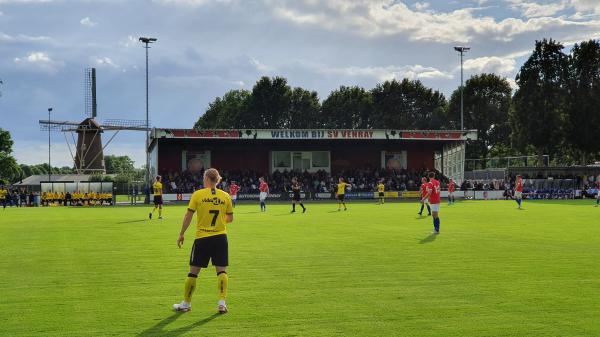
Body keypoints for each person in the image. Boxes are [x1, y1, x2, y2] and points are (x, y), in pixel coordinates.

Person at [173, 168, 233, 314]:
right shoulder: (225, 196)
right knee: (222, 271)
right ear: (217, 180)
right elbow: (230, 219)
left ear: (206, 179)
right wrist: (219, 221)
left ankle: (186, 304)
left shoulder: (198, 195)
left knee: (193, 273)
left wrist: (181, 234)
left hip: (202, 238)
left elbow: (188, 216)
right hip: (220, 237)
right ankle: (222, 303)